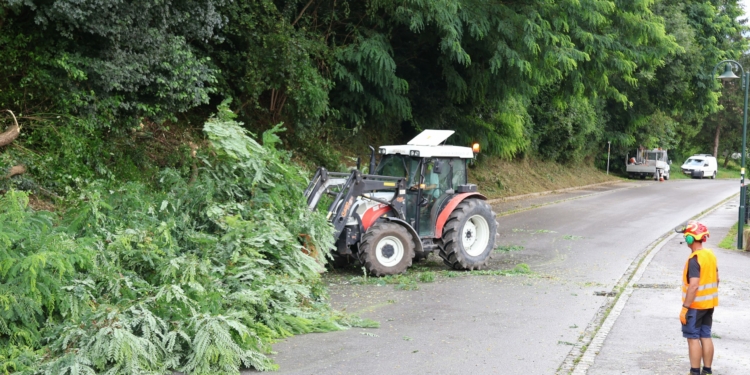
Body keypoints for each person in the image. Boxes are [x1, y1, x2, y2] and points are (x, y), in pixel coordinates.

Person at [674, 220, 719, 375]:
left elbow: (693, 285)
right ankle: (707, 370)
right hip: (709, 305)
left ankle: (694, 372)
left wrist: (685, 307)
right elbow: (717, 279)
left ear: (690, 239)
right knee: (705, 336)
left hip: (695, 307)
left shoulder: (694, 259)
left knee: (693, 338)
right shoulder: (710, 255)